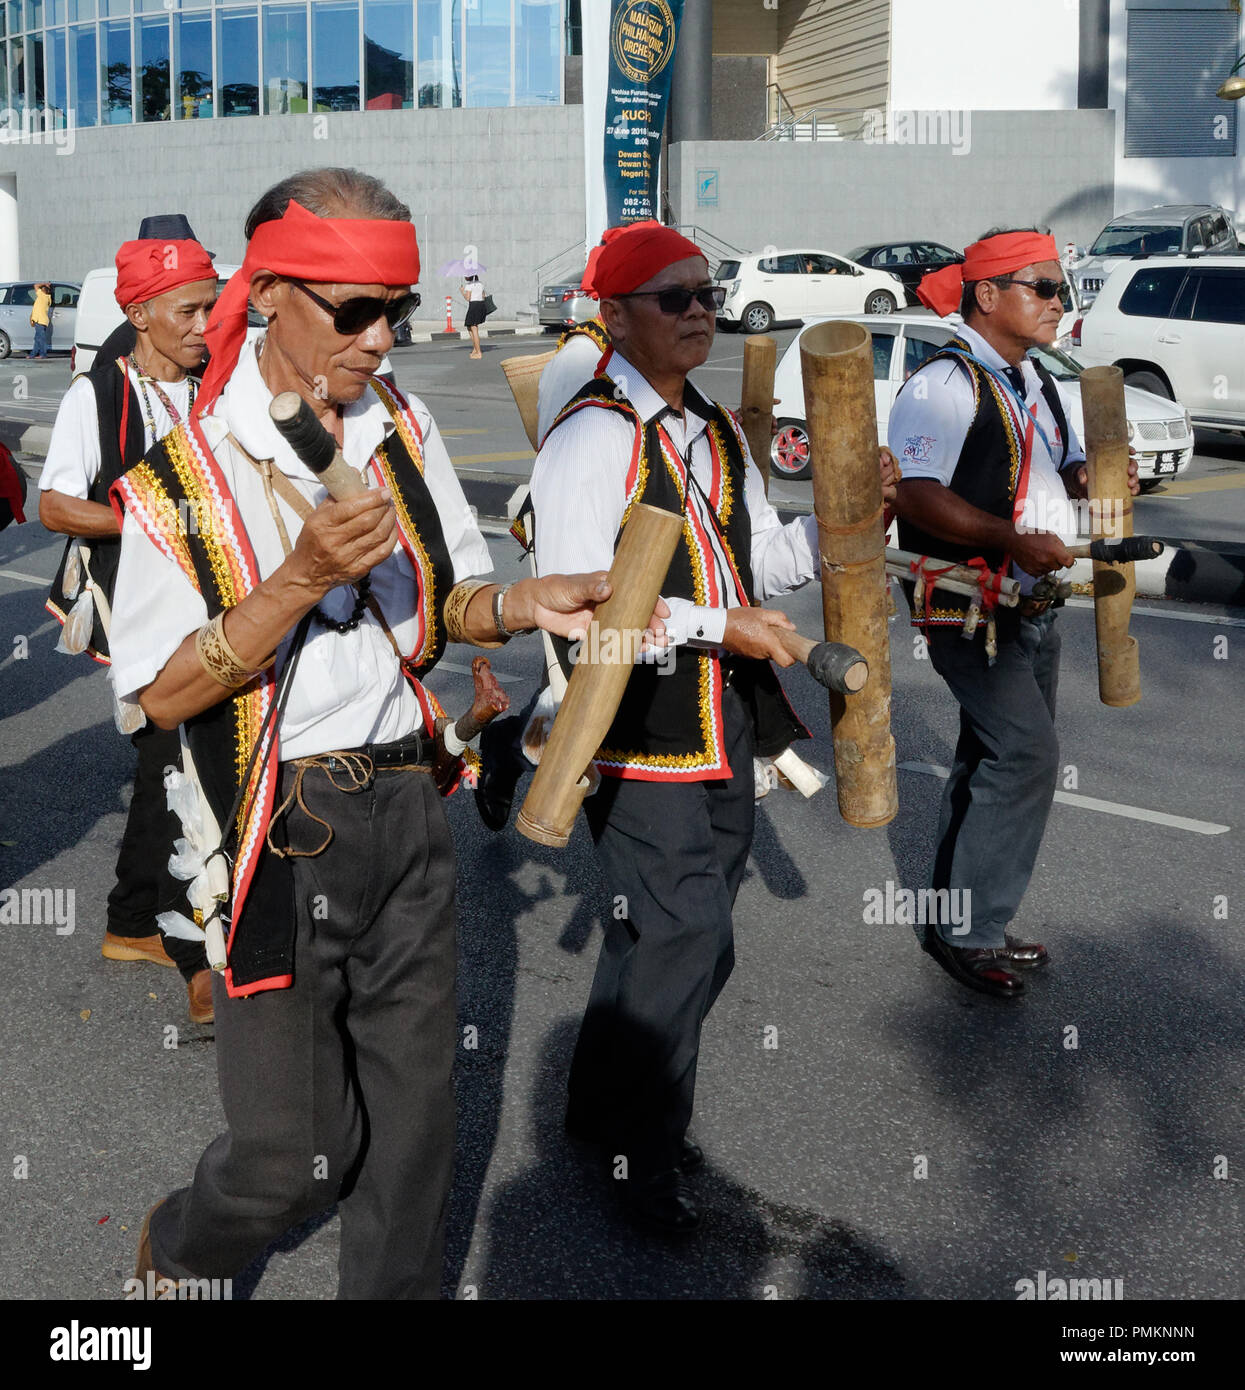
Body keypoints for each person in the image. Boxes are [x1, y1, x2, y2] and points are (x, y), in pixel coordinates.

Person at [108, 167, 657, 1299]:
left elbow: (449, 597)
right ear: (265, 295)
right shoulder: (182, 479)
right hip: (276, 829)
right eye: (354, 310)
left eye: (396, 308)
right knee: (288, 1161)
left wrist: (519, 602)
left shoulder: (399, 423)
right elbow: (158, 696)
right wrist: (299, 578)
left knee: (413, 1138)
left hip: (413, 803)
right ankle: (183, 1242)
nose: (382, 336)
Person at [528, 220, 898, 1233]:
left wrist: (853, 518)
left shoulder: (717, 433)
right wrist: (712, 623)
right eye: (673, 298)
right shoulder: (594, 436)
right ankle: (640, 1158)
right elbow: (573, 608)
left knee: (672, 937)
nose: (702, 313)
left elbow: (760, 559)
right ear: (613, 316)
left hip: (724, 718)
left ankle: (600, 1109)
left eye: (706, 294)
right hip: (636, 726)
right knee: (686, 936)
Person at [890, 226, 1139, 1000]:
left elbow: (1041, 465)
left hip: (1029, 595)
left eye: (1061, 289)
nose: (1059, 303)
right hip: (966, 599)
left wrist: (1091, 478)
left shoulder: (1030, 378)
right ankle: (969, 932)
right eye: (1044, 287)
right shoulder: (944, 382)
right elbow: (913, 489)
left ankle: (957, 916)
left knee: (989, 757)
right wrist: (1007, 537)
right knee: (1025, 754)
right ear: (988, 295)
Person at [39, 222, 218, 1022]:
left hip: (217, 599)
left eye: (209, 309)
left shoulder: (215, 382)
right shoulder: (99, 393)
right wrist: (153, 523)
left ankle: (130, 920)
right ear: (141, 314)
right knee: (175, 756)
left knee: (173, 760)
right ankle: (192, 951)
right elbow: (53, 505)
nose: (202, 327)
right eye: (185, 312)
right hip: (141, 603)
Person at [461, 272, 486, 359]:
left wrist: (462, 292)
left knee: (474, 328)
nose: (464, 276)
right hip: (481, 305)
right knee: (469, 326)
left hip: (474, 306)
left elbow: (468, 298)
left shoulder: (469, 285)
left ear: (469, 277)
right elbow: (483, 296)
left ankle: (479, 352)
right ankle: (475, 348)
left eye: (466, 275)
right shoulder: (480, 284)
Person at [29, 282, 52, 358]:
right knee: (37, 339)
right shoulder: (48, 298)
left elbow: (35, 285)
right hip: (41, 321)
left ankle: (43, 354)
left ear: (44, 291)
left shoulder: (42, 296)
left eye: (41, 289)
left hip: (40, 321)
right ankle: (33, 354)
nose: (40, 290)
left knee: (41, 339)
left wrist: (45, 283)